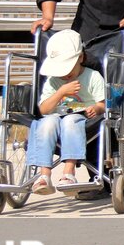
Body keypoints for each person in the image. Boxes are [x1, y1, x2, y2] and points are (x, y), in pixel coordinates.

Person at [27, 30, 107, 194]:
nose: (65, 74)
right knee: (45, 122)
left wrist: (96, 108)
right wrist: (61, 92)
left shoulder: (93, 77)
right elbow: (42, 109)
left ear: (81, 58)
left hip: (82, 118)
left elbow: (103, 104)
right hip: (55, 117)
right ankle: (44, 176)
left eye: (68, 68)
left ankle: (69, 173)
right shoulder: (54, 81)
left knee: (70, 121)